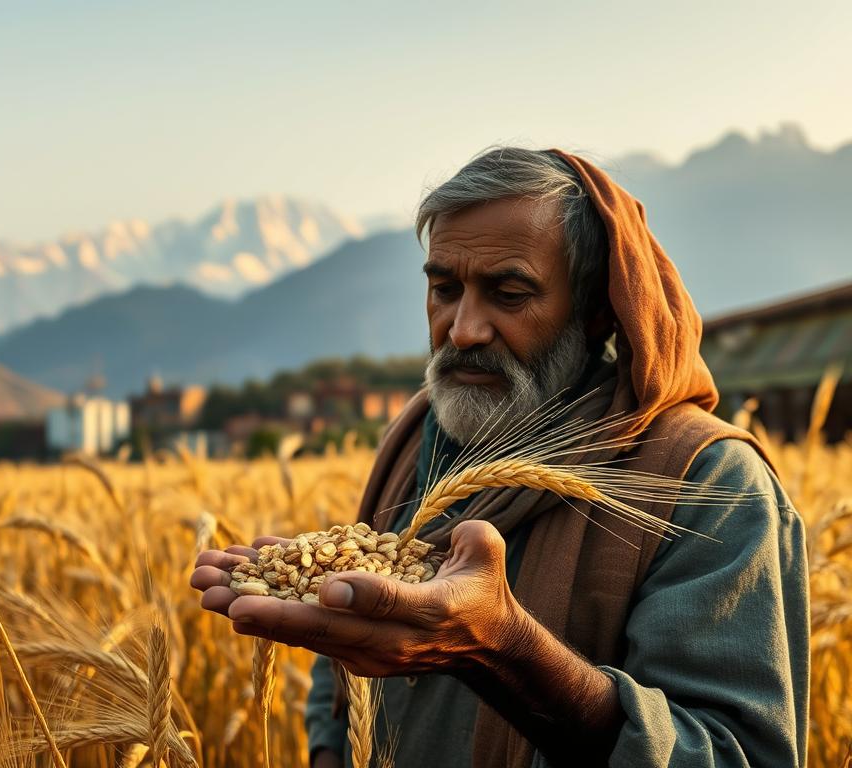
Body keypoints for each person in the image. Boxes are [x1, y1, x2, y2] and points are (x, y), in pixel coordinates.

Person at [189, 148, 809, 767]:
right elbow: (339, 669)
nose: (462, 329)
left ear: (596, 312)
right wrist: (331, 750)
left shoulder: (706, 483)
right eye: (444, 289)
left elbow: (740, 755)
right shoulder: (415, 440)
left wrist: (502, 650)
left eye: (508, 294)